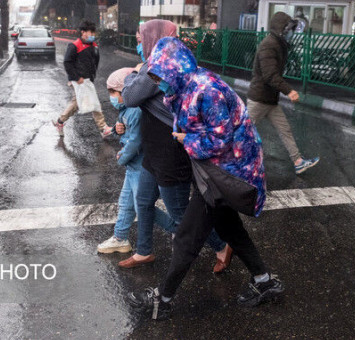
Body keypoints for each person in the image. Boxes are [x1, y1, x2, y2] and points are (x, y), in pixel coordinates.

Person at [127, 37, 284, 320]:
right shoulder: (184, 85)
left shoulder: (206, 89)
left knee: (187, 237)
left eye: (160, 76)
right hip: (216, 170)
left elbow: (221, 139)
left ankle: (162, 300)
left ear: (175, 69)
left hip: (228, 170)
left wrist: (186, 139)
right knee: (230, 229)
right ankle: (264, 281)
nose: (158, 83)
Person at [120, 20, 232, 272]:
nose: (139, 43)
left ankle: (221, 245)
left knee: (180, 214)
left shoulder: (159, 64)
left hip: (171, 152)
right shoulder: (165, 62)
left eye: (141, 39)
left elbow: (130, 97)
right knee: (144, 201)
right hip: (154, 149)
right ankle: (143, 251)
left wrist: (132, 74)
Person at [97, 68, 177, 253]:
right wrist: (118, 130)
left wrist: (122, 157)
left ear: (125, 90)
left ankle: (179, 229)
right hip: (133, 167)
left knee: (143, 208)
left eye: (113, 93)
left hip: (140, 167)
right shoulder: (127, 108)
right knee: (126, 204)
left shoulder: (135, 110)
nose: (112, 97)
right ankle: (120, 236)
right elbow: (127, 132)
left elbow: (135, 141)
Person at [247, 12, 319, 175]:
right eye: (289, 29)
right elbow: (270, 75)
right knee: (242, 131)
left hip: (270, 100)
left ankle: (298, 161)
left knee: (285, 129)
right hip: (259, 99)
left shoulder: (279, 44)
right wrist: (289, 91)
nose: (291, 33)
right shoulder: (269, 45)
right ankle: (226, 159)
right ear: (281, 29)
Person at [52, 21, 112, 138]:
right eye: (90, 32)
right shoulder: (75, 46)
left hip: (87, 79)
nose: (93, 34)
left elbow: (95, 62)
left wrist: (91, 75)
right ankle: (103, 128)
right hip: (79, 80)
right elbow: (67, 63)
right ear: (83, 32)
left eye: (94, 32)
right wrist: (76, 77)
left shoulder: (94, 46)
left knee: (76, 104)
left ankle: (60, 122)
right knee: (94, 102)